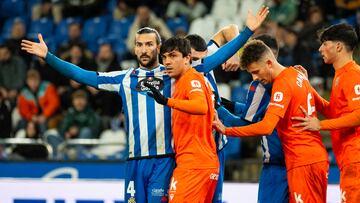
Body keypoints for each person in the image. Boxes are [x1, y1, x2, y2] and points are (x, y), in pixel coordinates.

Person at [21, 6, 268, 202]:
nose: (144, 49)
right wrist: (49, 57)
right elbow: (84, 75)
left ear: (159, 48)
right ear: (134, 47)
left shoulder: (175, 72)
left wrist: (247, 33)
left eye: (149, 44)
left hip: (165, 160)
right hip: (134, 162)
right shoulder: (123, 79)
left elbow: (216, 58)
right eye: (139, 44)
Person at [213, 39, 329, 203]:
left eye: (256, 71)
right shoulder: (298, 75)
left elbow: (267, 126)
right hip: (310, 157)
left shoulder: (282, 83)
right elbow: (327, 107)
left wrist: (226, 130)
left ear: (268, 62)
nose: (255, 77)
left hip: (302, 160)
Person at [292, 23, 360, 203]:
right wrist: (307, 87)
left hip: (356, 158)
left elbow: (359, 115)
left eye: (325, 43)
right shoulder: (341, 75)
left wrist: (320, 124)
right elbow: (334, 112)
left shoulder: (353, 75)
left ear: (338, 46)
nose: (320, 48)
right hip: (348, 158)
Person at [145, 37, 218, 202]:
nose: (167, 62)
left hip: (194, 165)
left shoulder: (191, 79)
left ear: (187, 58)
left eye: (173, 56)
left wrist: (166, 101)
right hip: (199, 163)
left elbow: (201, 107)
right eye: (164, 57)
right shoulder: (190, 80)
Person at [218, 34, 288, 203]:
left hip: (277, 165)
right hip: (298, 161)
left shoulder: (261, 85)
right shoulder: (293, 77)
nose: (254, 75)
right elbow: (262, 112)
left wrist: (217, 108)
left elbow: (245, 123)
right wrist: (231, 105)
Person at [185, 24, 240, 203]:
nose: (200, 64)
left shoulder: (206, 56)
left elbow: (228, 30)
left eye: (203, 58)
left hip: (216, 148)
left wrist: (234, 53)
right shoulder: (176, 74)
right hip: (191, 152)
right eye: (194, 59)